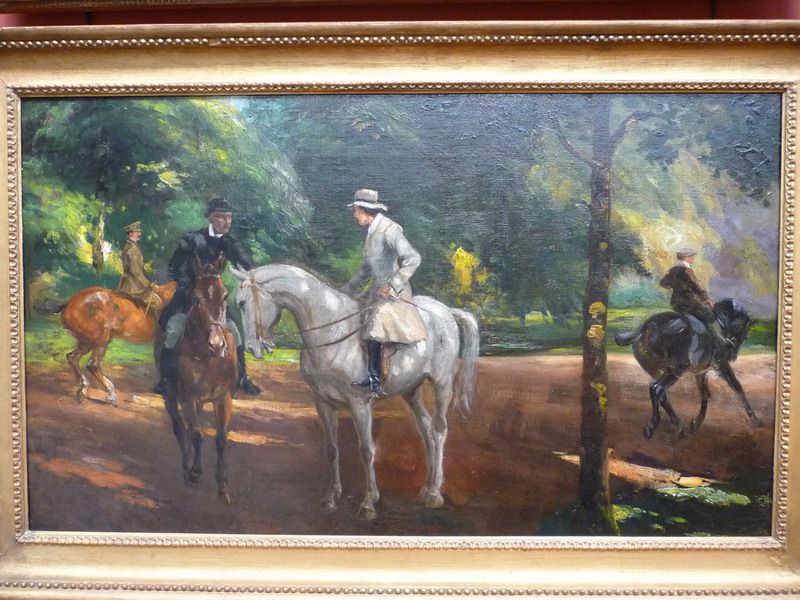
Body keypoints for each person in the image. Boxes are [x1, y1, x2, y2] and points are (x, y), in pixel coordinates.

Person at [154, 197, 261, 396]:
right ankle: (165, 379)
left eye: (229, 218)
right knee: (173, 329)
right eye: (222, 217)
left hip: (214, 299)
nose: (227, 222)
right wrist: (190, 286)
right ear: (211, 218)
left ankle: (242, 377)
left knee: (236, 333)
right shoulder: (192, 239)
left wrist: (253, 275)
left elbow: (242, 263)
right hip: (189, 296)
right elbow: (174, 267)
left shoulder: (228, 242)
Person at [341, 188, 427, 394]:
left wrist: (393, 285)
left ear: (364, 211)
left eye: (356, 211)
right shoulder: (371, 233)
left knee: (376, 326)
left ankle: (375, 379)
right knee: (353, 315)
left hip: (394, 294)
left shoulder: (390, 230)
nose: (354, 216)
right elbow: (365, 270)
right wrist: (346, 291)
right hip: (375, 292)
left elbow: (413, 258)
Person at [659, 248, 732, 348]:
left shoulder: (673, 270)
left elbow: (663, 283)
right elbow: (697, 286)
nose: (693, 258)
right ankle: (718, 340)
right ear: (686, 257)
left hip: (676, 303)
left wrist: (676, 285)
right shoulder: (688, 270)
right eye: (691, 257)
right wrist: (707, 299)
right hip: (689, 302)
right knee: (709, 315)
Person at [116, 221, 162, 313]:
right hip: (134, 287)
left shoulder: (130, 246)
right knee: (157, 302)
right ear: (130, 234)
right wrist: (150, 285)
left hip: (131, 284)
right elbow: (135, 272)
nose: (139, 234)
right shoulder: (132, 249)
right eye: (137, 232)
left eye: (139, 232)